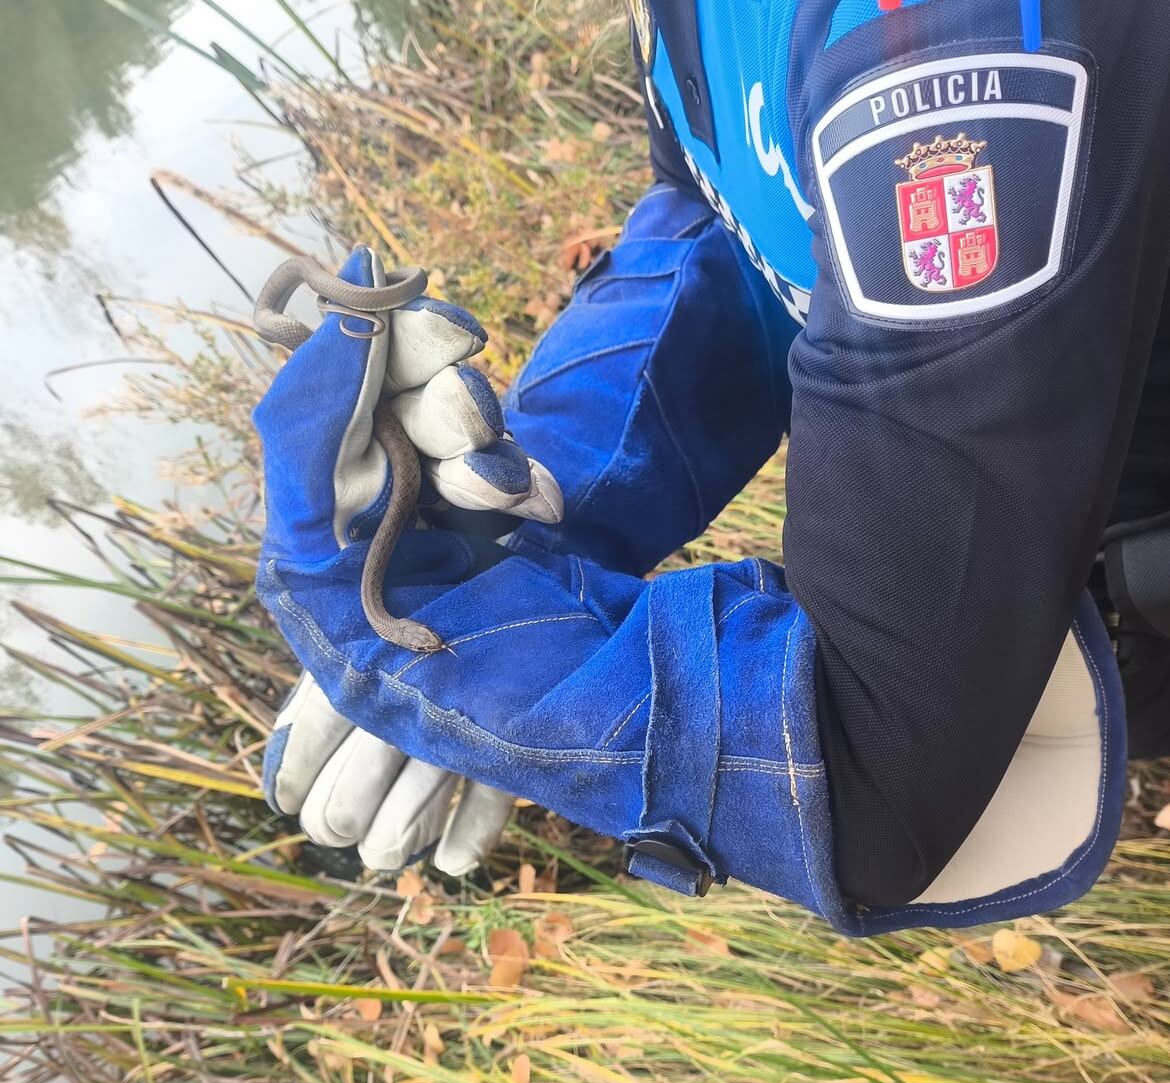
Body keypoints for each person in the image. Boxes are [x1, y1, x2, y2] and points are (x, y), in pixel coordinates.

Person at [254, 0, 1170, 934]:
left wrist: (391, 634)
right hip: (1059, 585)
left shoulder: (942, 38)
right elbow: (717, 215)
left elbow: (870, 772)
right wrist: (528, 520)